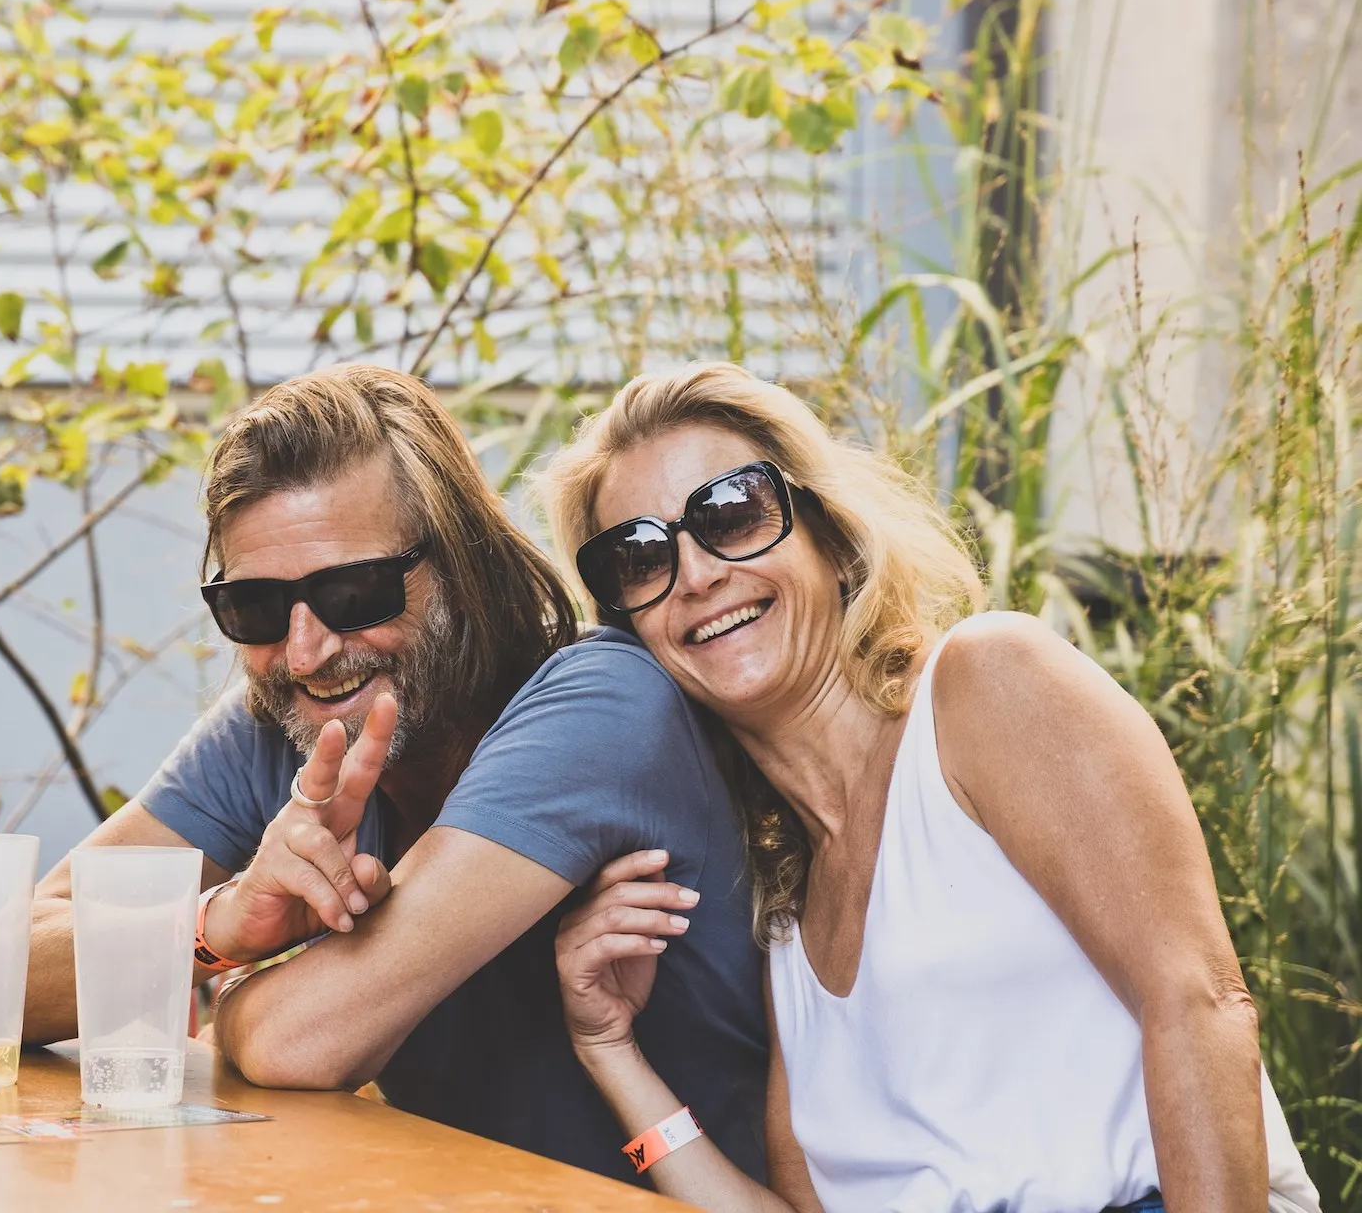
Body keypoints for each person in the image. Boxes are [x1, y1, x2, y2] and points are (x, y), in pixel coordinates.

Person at [538, 361, 1322, 1211]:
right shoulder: (788, 921)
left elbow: (1199, 1003)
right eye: (639, 556)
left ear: (830, 535)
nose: (695, 574)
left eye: (731, 513)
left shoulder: (988, 688)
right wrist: (610, 1050)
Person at [20, 364, 769, 1184]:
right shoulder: (288, 718)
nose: (305, 650)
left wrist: (232, 1000)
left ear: (461, 565)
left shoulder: (604, 703)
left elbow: (296, 1040)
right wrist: (219, 925)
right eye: (256, 609)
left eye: (353, 590)